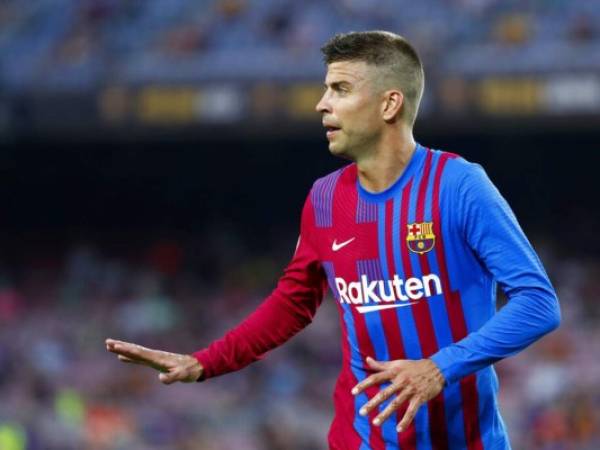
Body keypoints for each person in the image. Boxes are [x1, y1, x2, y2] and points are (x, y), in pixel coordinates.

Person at [106, 31, 560, 449]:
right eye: (326, 89)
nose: (322, 104)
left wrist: (440, 367)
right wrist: (205, 362)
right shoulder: (325, 199)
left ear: (389, 105)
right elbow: (293, 302)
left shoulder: (458, 186)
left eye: (340, 89)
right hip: (360, 439)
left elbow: (538, 303)